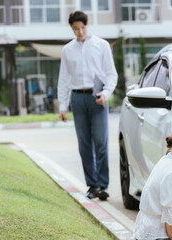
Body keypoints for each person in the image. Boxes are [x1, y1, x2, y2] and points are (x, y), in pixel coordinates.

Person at [57, 11, 118, 200]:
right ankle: (92, 185)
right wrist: (63, 106)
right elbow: (64, 79)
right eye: (75, 29)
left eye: (82, 27)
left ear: (87, 24)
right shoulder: (67, 50)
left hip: (97, 98)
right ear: (71, 28)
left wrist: (106, 94)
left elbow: (111, 74)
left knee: (101, 142)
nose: (79, 32)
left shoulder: (102, 45)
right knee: (85, 145)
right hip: (77, 99)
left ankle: (103, 185)